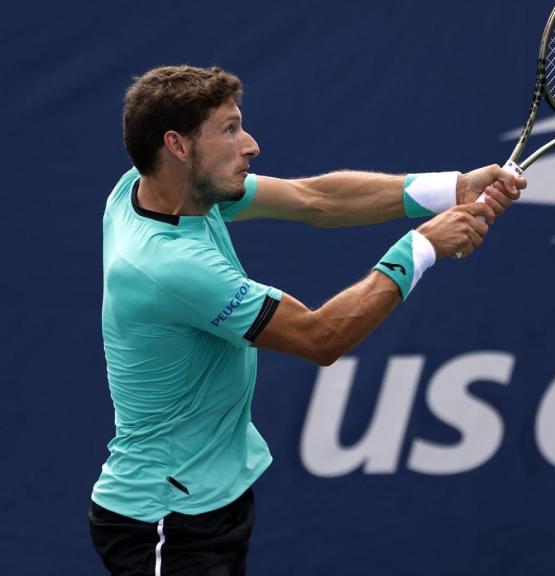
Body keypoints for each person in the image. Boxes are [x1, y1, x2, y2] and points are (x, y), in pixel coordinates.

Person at [88, 64, 526, 575]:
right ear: (177, 146)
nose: (250, 144)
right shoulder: (168, 266)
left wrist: (452, 189)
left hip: (205, 498)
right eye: (228, 130)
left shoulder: (153, 189)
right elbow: (321, 337)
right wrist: (423, 247)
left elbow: (314, 199)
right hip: (165, 519)